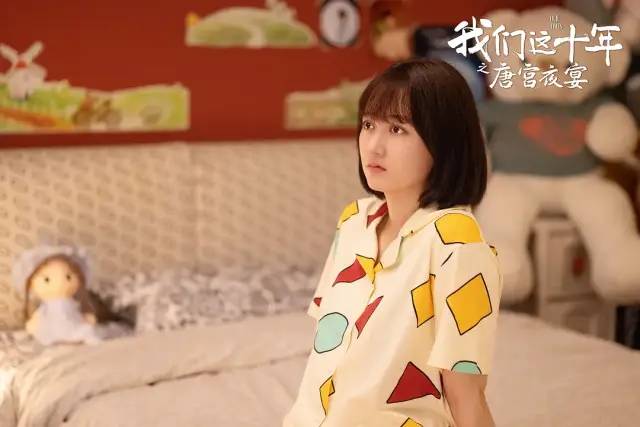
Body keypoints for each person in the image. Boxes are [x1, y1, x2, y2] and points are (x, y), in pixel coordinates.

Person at [282, 58, 503, 427]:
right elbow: (329, 356)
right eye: (369, 125)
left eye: (398, 129)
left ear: (444, 142)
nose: (374, 146)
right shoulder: (354, 222)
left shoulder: (458, 244)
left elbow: (466, 396)